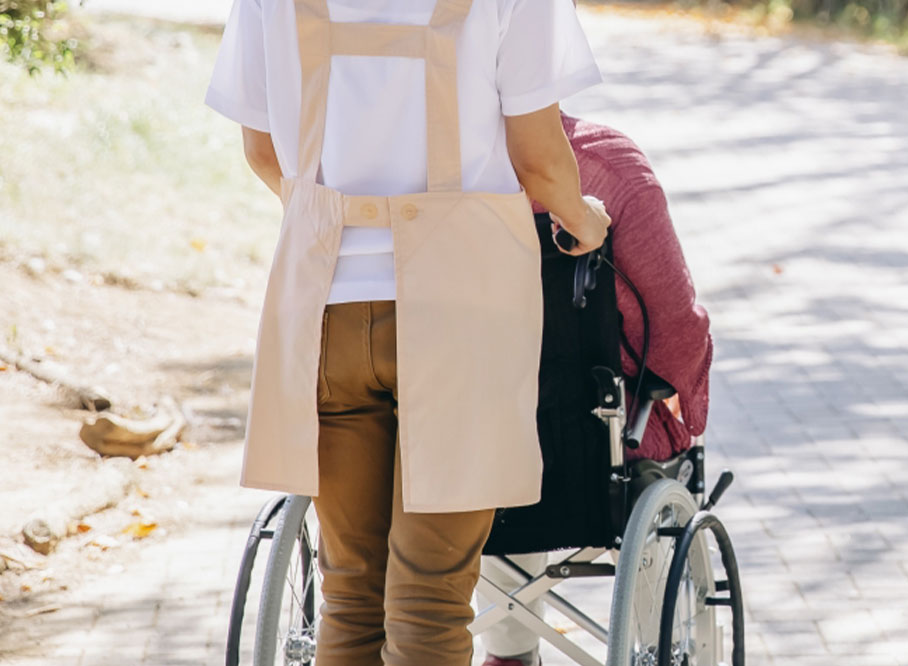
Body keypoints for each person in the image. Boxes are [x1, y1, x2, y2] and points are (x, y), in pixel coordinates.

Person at [205, 1, 610, 663]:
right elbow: (539, 158)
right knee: (429, 601)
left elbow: (259, 148)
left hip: (326, 309)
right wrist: (586, 220)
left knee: (351, 596)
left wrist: (338, 222)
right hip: (463, 310)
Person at [478, 111, 713, 666]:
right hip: (586, 453)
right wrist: (686, 404)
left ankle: (507, 652)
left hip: (456, 441)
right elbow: (675, 332)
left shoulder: (419, 165)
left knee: (489, 433)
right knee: (638, 443)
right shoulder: (607, 166)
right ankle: (655, 643)